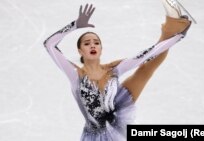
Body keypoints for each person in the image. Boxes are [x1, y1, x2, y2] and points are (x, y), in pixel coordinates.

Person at [43, 0, 192, 140]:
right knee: (147, 67)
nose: (93, 45)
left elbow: (148, 54)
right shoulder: (75, 74)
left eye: (96, 43)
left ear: (101, 49)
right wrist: (75, 25)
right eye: (87, 43)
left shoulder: (112, 70)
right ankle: (174, 26)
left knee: (146, 68)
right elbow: (49, 45)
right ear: (80, 51)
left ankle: (172, 25)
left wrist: (177, 37)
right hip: (95, 136)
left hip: (117, 112)